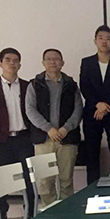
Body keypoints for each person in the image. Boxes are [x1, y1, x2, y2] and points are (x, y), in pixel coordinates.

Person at [0, 47, 35, 219]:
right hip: (1, 139)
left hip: (24, 137)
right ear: (0, 63)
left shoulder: (27, 85)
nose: (12, 63)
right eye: (8, 60)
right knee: (2, 178)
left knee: (28, 175)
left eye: (15, 60)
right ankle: (1, 211)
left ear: (20, 64)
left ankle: (30, 209)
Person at [26, 49, 83, 206]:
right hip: (44, 139)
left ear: (62, 63)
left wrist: (66, 128)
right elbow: (30, 110)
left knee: (66, 180)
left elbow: (78, 109)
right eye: (49, 59)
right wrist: (48, 129)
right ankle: (49, 212)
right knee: (45, 182)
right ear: (43, 63)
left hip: (67, 138)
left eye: (56, 59)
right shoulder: (35, 84)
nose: (53, 62)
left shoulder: (71, 85)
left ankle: (67, 211)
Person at [80, 25, 110, 185]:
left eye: (108, 38)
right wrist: (97, 104)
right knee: (92, 154)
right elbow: (84, 86)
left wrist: (105, 107)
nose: (104, 41)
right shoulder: (87, 62)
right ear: (95, 41)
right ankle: (92, 189)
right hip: (92, 113)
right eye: (100, 38)